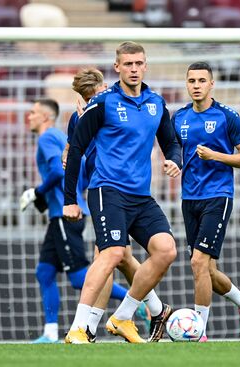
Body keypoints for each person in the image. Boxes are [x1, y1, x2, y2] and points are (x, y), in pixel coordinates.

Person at [63, 41, 181, 344]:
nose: (133, 69)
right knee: (113, 252)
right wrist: (70, 200)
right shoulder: (103, 103)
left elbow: (171, 141)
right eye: (127, 64)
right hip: (107, 190)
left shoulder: (156, 103)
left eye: (138, 63)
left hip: (140, 196)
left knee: (166, 250)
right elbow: (75, 149)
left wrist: (174, 160)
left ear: (145, 65)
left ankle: (123, 316)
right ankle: (79, 328)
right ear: (117, 67)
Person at [172, 62, 240, 342]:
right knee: (206, 268)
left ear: (211, 84)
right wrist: (172, 164)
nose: (196, 85)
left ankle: (198, 331)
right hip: (189, 198)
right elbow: (175, 153)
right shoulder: (179, 117)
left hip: (218, 196)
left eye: (201, 80)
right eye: (191, 80)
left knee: (198, 263)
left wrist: (215, 156)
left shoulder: (226, 116)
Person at [21, 98, 90, 343]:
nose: (28, 116)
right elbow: (77, 168)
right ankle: (50, 333)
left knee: (80, 278)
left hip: (64, 215)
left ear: (46, 117)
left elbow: (58, 171)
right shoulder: (63, 138)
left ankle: (138, 304)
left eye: (33, 112)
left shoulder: (47, 138)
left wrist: (37, 192)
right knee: (44, 272)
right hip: (61, 214)